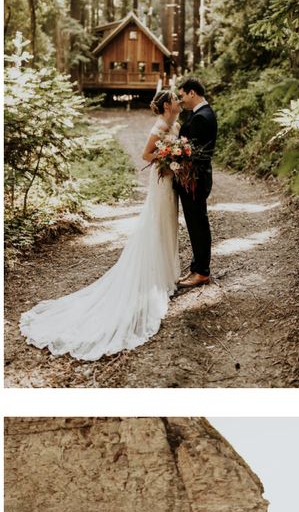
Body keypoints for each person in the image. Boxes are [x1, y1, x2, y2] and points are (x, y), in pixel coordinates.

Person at [19, 90, 181, 360]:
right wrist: (168, 156)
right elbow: (145, 154)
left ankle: (166, 274)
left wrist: (176, 156)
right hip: (161, 182)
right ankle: (155, 277)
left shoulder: (175, 125)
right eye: (175, 100)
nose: (178, 103)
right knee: (157, 223)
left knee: (169, 223)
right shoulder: (160, 126)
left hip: (170, 181)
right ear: (167, 105)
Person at [175, 78, 218, 288]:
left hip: (196, 179)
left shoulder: (203, 116)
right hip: (192, 178)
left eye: (182, 95)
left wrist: (172, 157)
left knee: (198, 224)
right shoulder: (198, 114)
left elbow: (194, 153)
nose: (181, 100)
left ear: (192, 93)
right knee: (194, 223)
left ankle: (202, 272)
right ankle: (196, 268)